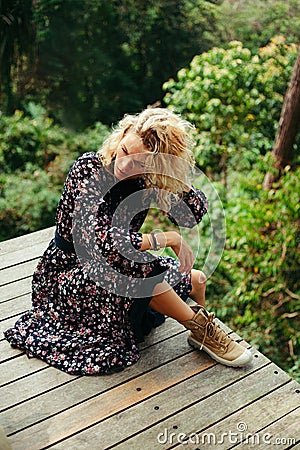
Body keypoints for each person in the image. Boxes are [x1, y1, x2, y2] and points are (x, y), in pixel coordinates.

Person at [4, 108, 252, 375]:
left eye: (138, 162)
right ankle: (202, 329)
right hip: (67, 276)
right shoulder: (88, 169)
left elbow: (194, 211)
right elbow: (102, 241)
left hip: (115, 267)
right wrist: (168, 237)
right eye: (124, 151)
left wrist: (170, 178)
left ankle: (198, 332)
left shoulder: (142, 182)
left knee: (197, 279)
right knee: (140, 269)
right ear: (120, 137)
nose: (124, 165)